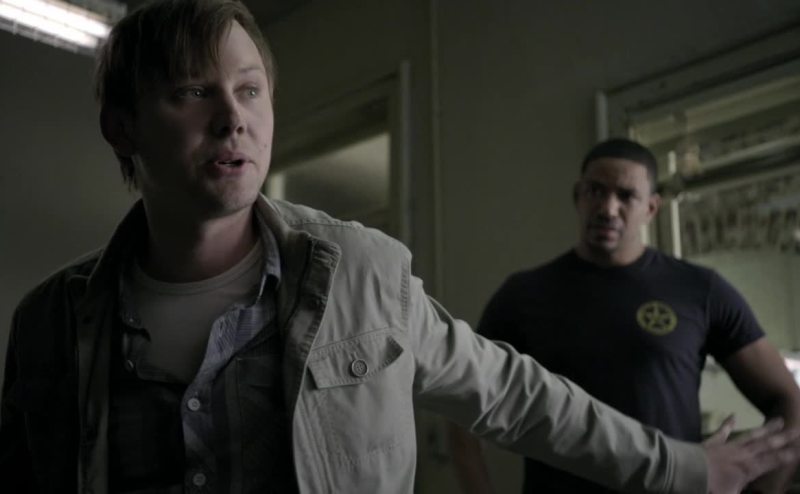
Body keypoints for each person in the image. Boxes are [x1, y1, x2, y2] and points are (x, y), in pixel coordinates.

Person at [0, 2, 797, 492]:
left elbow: (518, 397)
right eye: (192, 92)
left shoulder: (360, 275)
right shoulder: (49, 324)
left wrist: (687, 468)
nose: (232, 118)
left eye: (249, 90)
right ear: (123, 126)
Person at [449, 138, 800, 493]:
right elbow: (462, 405)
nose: (608, 208)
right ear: (578, 196)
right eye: (596, 191)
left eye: (626, 196)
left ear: (651, 208)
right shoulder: (523, 295)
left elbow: (789, 400)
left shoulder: (700, 290)